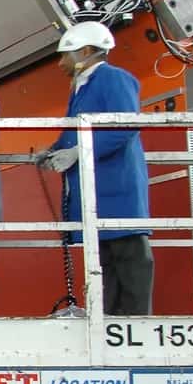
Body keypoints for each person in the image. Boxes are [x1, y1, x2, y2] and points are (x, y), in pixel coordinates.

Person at [38, 21, 152, 315]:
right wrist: (51, 152)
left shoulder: (113, 79)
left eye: (66, 55)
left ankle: (134, 331)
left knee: (130, 263)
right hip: (97, 199)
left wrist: (79, 152)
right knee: (108, 270)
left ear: (86, 51)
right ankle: (112, 329)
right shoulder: (81, 88)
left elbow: (126, 126)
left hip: (118, 193)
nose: (61, 63)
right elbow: (72, 133)